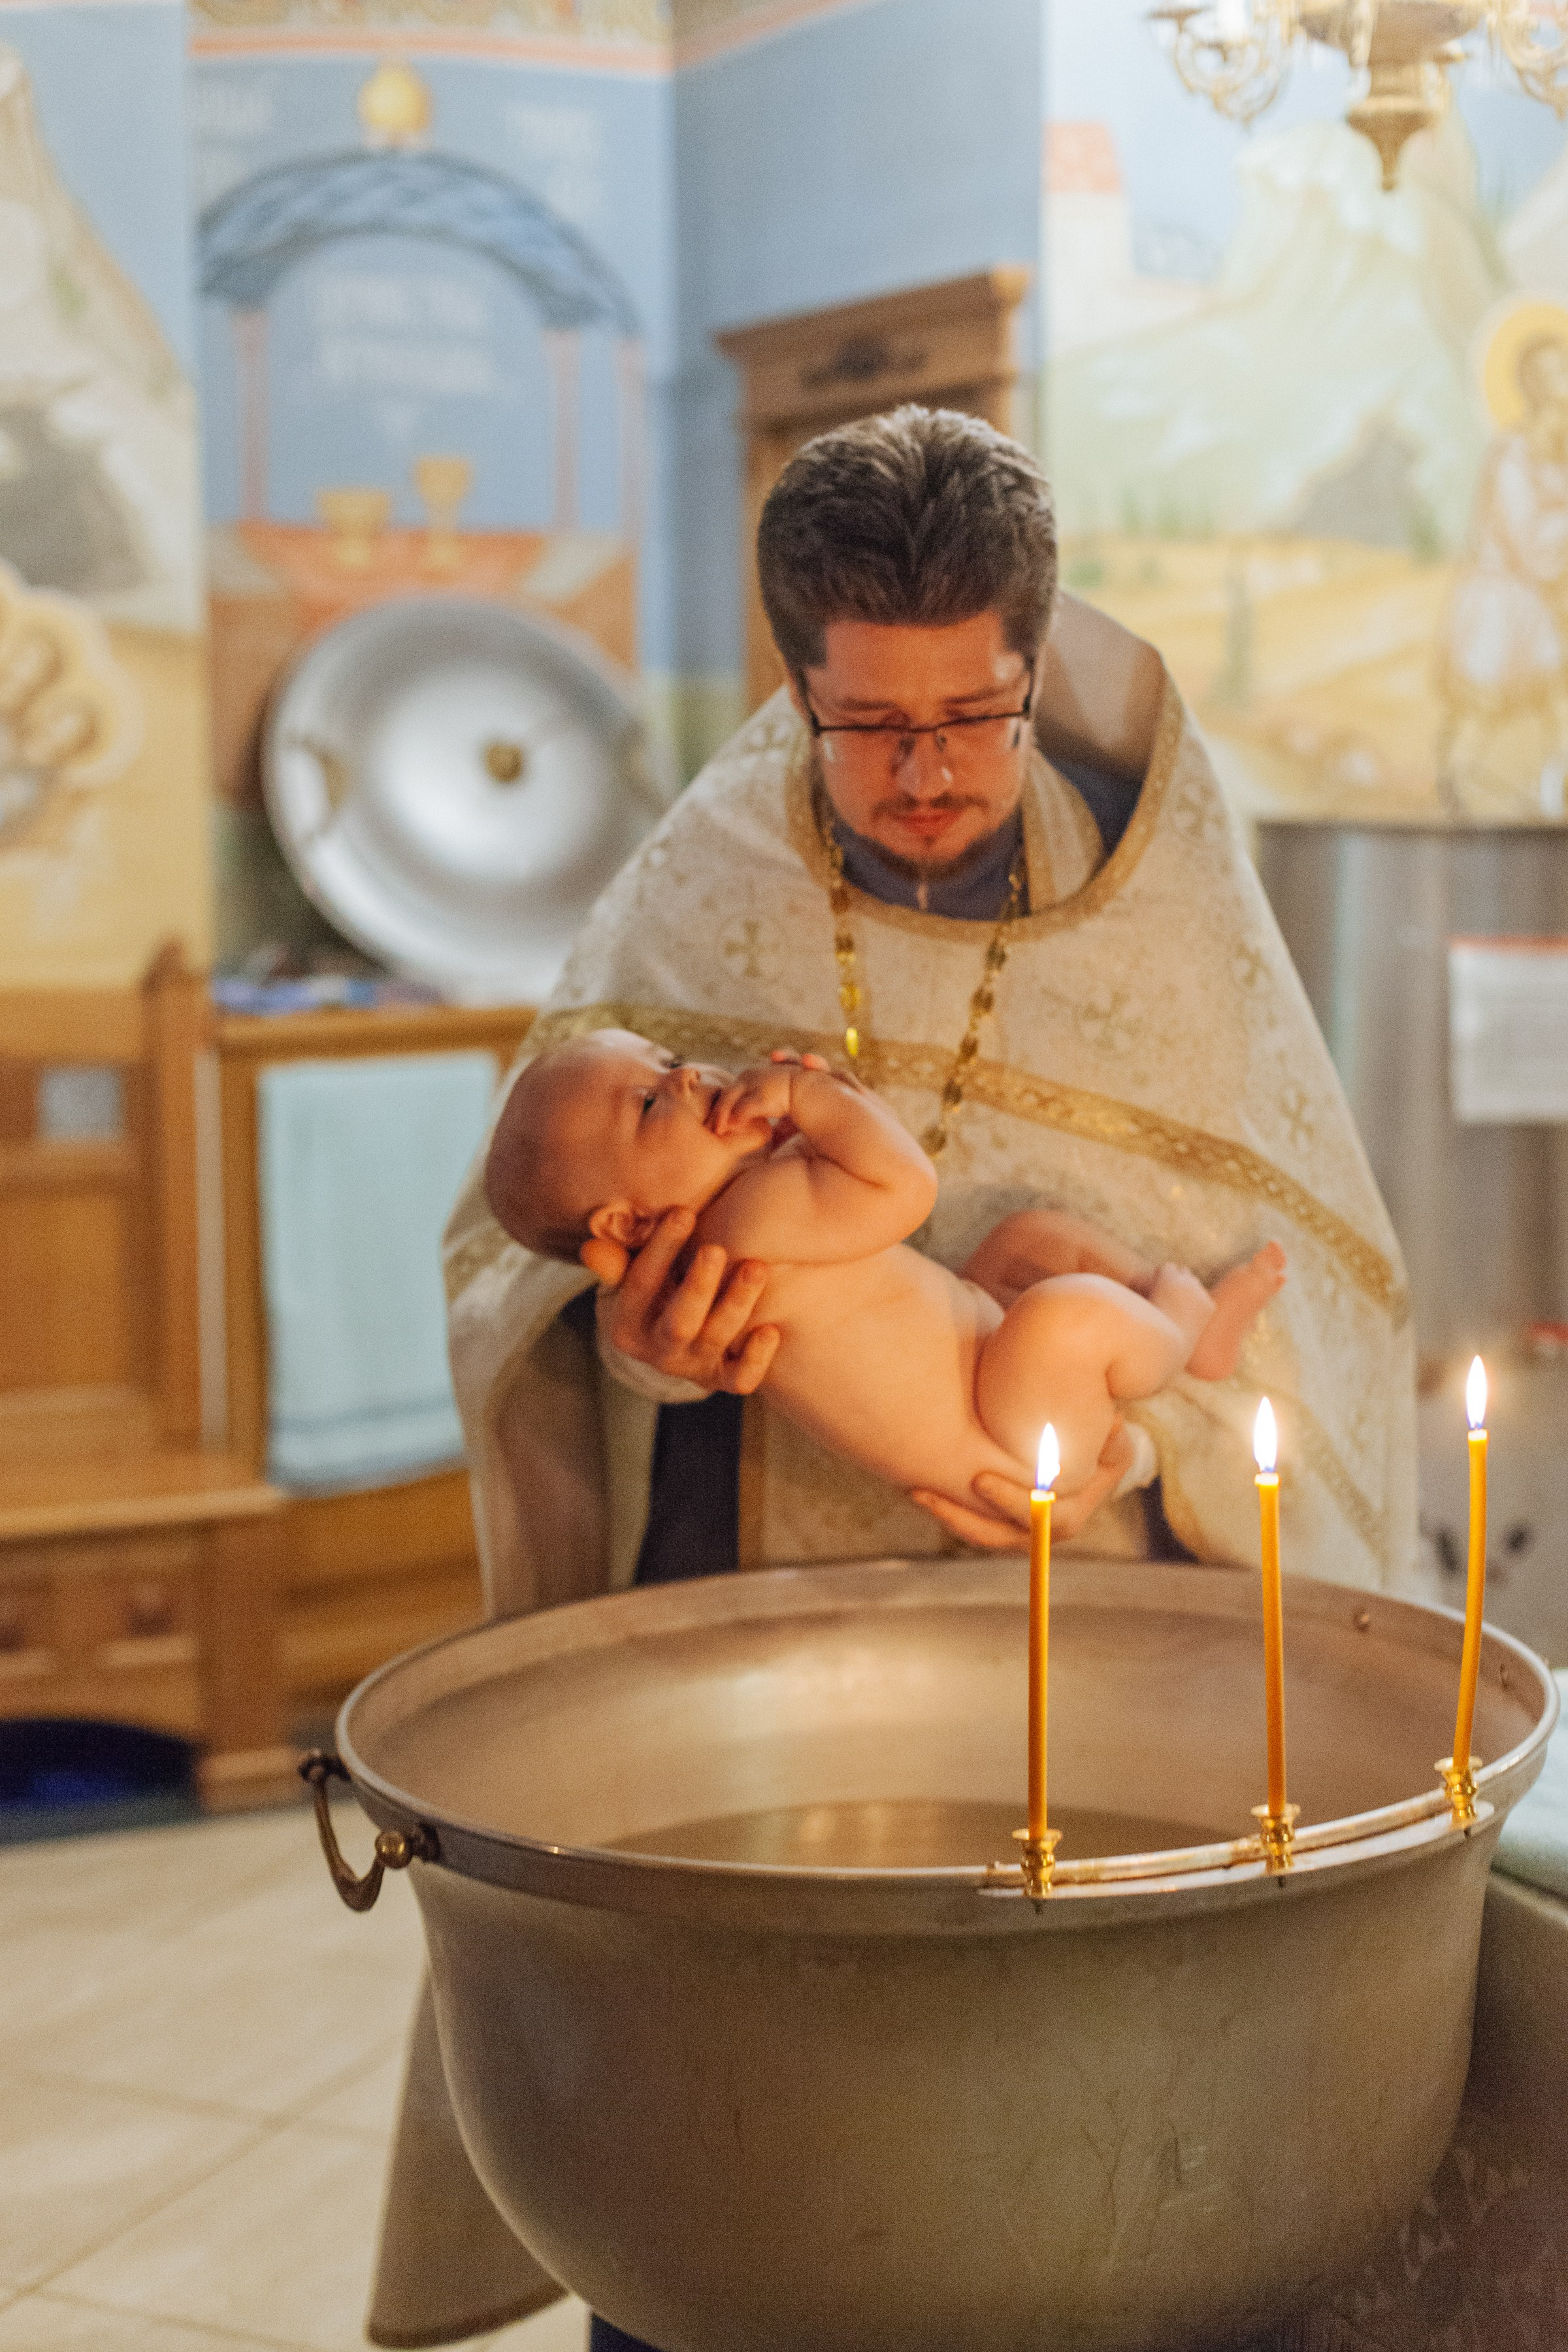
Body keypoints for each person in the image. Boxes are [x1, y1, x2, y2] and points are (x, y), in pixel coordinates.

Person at [367, 406, 1415, 2350]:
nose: (926, 773)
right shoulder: (694, 912)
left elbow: (1325, 1324)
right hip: (768, 1714)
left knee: (1112, 2211)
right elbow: (518, 1264)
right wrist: (654, 1358)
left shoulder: (1169, 920)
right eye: (867, 725)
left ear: (1030, 664)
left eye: (974, 714)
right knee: (746, 2211)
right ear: (790, 689)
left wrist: (1119, 1444)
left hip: (1105, 1665)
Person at [486, 1026, 1289, 1509]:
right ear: (627, 1222)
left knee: (1025, 1242)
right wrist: (811, 1099)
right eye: (654, 1102)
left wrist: (824, 1117)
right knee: (1061, 1312)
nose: (691, 1075)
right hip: (1010, 1437)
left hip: (987, 1371)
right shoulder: (748, 1221)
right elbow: (905, 1188)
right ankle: (1188, 1332)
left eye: (669, 1058)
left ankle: (1175, 1333)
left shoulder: (742, 1220)